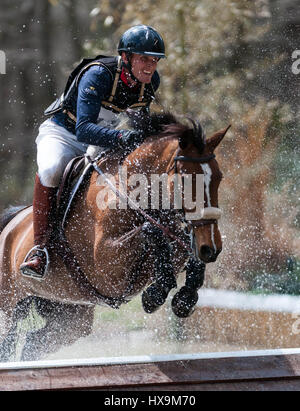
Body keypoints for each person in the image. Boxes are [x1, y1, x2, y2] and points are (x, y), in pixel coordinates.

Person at [20, 25, 166, 280]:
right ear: (126, 57)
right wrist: (123, 137)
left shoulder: (150, 82)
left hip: (102, 137)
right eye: (144, 58)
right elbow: (83, 129)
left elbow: (138, 123)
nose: (150, 66)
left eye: (154, 60)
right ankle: (39, 249)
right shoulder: (98, 75)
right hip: (65, 134)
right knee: (51, 169)